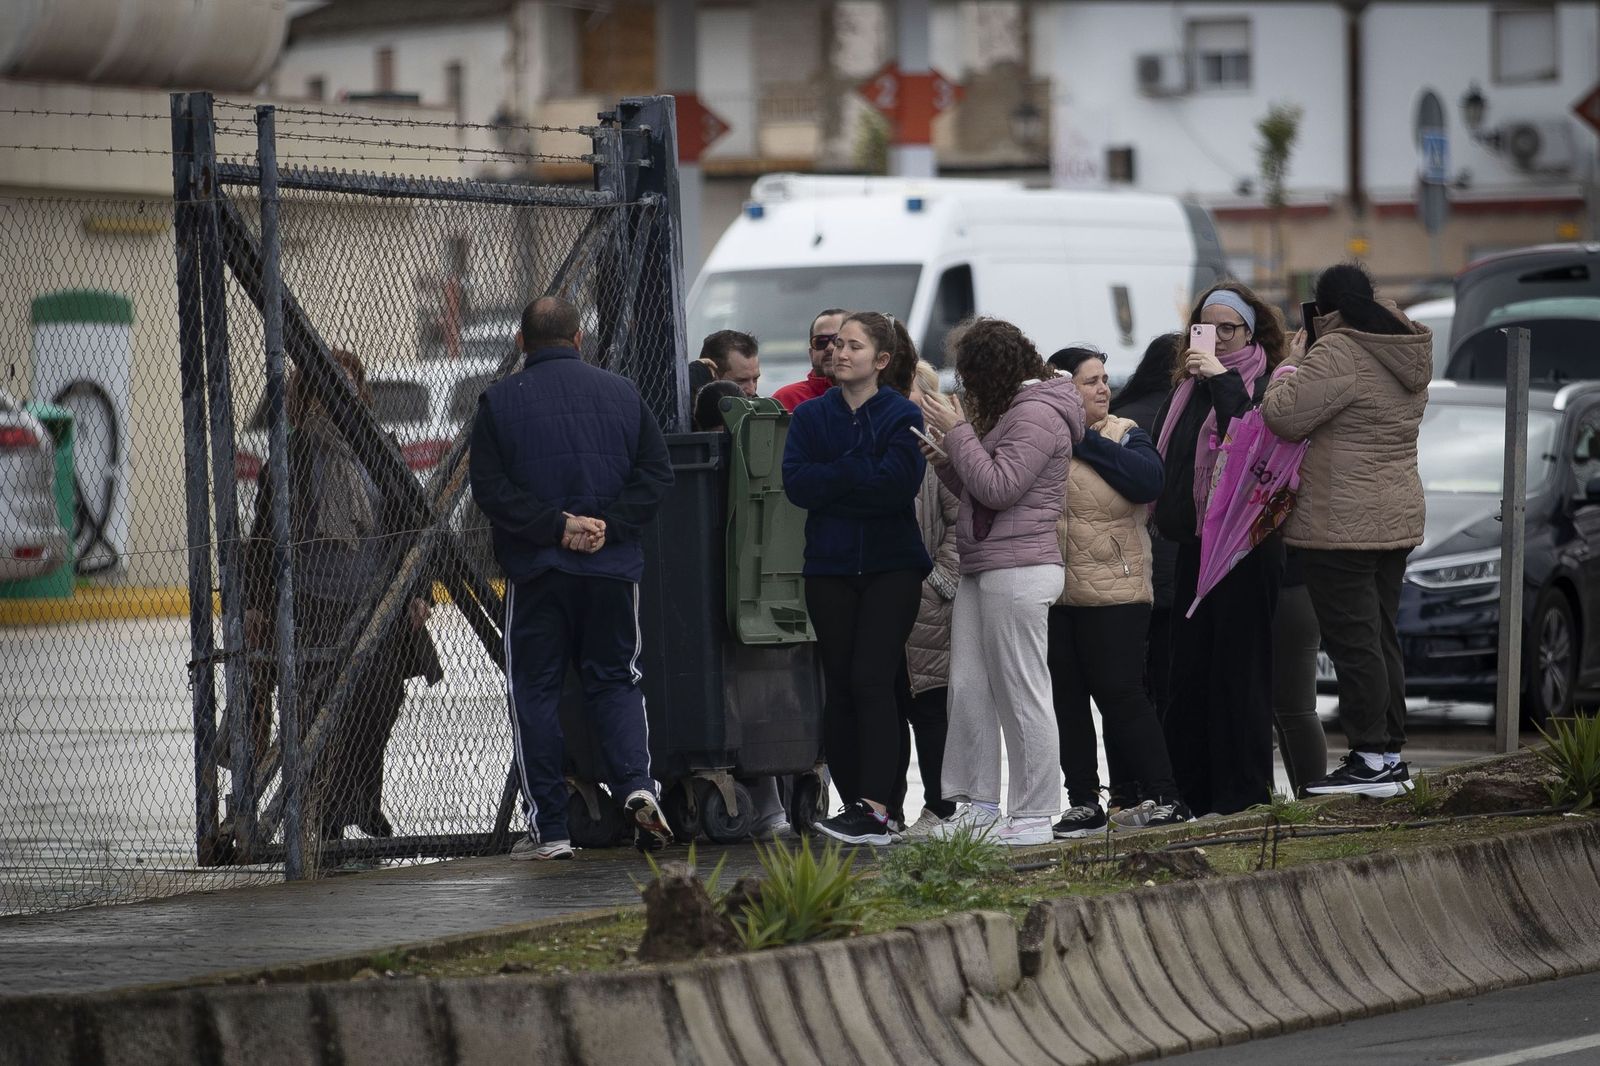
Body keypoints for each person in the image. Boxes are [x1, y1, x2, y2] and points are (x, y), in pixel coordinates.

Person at [469, 296, 676, 859]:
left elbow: (492, 491)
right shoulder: (624, 394)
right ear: (580, 337)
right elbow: (656, 474)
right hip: (612, 571)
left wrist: (556, 527)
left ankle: (553, 830)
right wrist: (609, 524)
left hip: (538, 569)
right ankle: (637, 785)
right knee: (615, 679)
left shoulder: (498, 402)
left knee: (534, 690)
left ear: (520, 342)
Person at [243, 348, 443, 843]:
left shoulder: (382, 452)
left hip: (374, 603)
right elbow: (263, 543)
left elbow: (410, 530)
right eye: (329, 387)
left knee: (378, 698)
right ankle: (323, 814)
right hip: (313, 605)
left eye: (350, 386)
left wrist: (418, 592)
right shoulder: (289, 462)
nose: (341, 398)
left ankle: (362, 801)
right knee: (319, 711)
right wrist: (257, 607)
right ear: (307, 396)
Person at [1262, 263, 1431, 798]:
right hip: (1394, 516)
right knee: (1381, 637)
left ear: (1326, 310)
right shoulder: (1403, 346)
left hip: (1341, 523)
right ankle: (1387, 755)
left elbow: (1282, 415)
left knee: (1354, 641)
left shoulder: (1338, 352)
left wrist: (1291, 363)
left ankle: (1369, 757)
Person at [920, 317, 1084, 848]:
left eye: (969, 378)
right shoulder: (1016, 410)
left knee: (1021, 691)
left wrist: (958, 432)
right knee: (968, 687)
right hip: (985, 563)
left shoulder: (1037, 412)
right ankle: (979, 804)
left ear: (992, 372)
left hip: (1020, 567)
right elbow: (979, 482)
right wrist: (947, 461)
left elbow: (999, 487)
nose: (965, 390)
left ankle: (1035, 813)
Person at [783, 310, 929, 847]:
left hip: (892, 566)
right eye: (835, 345)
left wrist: (836, 477)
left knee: (873, 679)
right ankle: (856, 806)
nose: (840, 354)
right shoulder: (810, 418)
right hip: (829, 566)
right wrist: (856, 469)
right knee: (840, 685)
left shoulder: (900, 414)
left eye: (853, 346)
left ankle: (878, 807)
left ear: (881, 360)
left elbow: (896, 486)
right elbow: (797, 484)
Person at [1152, 283, 1286, 816]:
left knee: (1240, 675)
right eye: (1204, 328)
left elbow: (1255, 443)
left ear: (1252, 332)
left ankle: (1244, 795)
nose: (1215, 339)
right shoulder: (1185, 391)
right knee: (1189, 676)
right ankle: (1194, 791)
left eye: (1227, 328)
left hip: (1246, 547)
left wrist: (1225, 381)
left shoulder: (1268, 382)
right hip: (1195, 547)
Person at [1044, 346, 1189, 835]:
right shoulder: (1039, 436)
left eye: (1104, 379)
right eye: (1091, 381)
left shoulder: (1125, 433)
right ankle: (1083, 802)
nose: (1104, 388)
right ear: (1064, 389)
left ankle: (1165, 796)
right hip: (1056, 592)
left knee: (1122, 695)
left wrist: (1083, 439)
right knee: (1067, 700)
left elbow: (1150, 481)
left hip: (1117, 591)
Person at [894, 360, 961, 838]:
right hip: (883, 597)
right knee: (887, 708)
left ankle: (941, 807)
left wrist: (939, 580)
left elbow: (962, 520)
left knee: (932, 709)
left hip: (928, 602)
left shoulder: (936, 450)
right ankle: (884, 808)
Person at [1109, 332, 1185, 717]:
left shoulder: (1120, 418)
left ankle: (1129, 777)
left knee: (1127, 688)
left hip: (1125, 566)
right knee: (1170, 680)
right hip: (1180, 561)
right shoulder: (1190, 412)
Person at [773, 308, 846, 412]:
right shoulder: (785, 399)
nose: (830, 347)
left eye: (838, 340)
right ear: (811, 354)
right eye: (821, 342)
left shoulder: (873, 398)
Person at [699, 330, 762, 398]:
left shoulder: (763, 407)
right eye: (741, 381)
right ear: (712, 376)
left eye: (755, 379)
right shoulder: (688, 406)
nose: (752, 391)